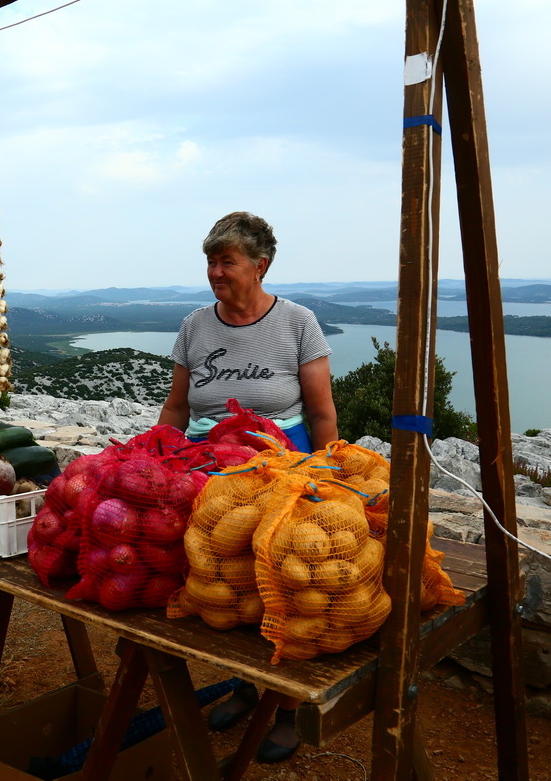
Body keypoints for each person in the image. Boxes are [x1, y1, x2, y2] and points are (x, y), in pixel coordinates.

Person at [158, 212, 338, 763]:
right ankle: (241, 682)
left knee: (275, 582)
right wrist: (158, 453)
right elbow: (179, 405)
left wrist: (328, 471)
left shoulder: (298, 322)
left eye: (226, 261)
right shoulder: (195, 326)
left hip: (278, 466)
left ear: (260, 266)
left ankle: (284, 706)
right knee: (223, 581)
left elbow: (321, 409)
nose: (215, 272)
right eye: (210, 261)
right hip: (211, 468)